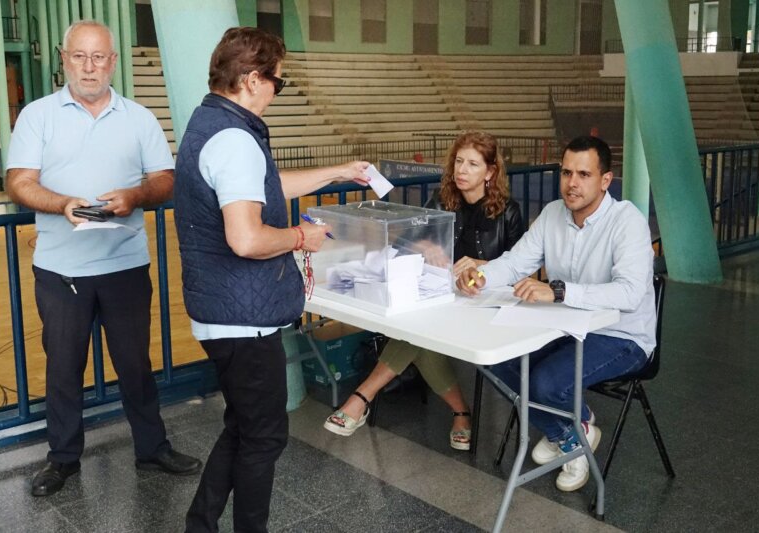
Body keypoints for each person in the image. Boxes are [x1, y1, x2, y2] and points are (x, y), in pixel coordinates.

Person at [173, 27, 370, 533]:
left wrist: (339, 172)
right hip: (243, 318)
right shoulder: (236, 139)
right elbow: (246, 237)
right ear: (253, 80)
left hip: (222, 311)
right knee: (263, 438)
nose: (277, 93)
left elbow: (261, 185)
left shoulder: (210, 121)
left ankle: (201, 523)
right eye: (278, 83)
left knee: (243, 427)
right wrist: (301, 238)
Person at [5, 20, 201, 497]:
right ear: (63, 57)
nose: (89, 67)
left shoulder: (139, 117)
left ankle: (152, 448)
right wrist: (62, 204)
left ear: (113, 61)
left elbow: (165, 179)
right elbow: (19, 181)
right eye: (79, 56)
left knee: (135, 364)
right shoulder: (38, 115)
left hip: (125, 265)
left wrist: (135, 195)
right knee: (64, 369)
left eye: (99, 57)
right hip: (61, 268)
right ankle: (63, 459)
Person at [458, 135, 656, 492]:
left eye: (584, 174)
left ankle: (571, 441)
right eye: (566, 173)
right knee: (499, 363)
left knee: (545, 382)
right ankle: (572, 427)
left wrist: (559, 290)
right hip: (566, 326)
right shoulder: (552, 214)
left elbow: (629, 293)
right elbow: (516, 263)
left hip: (622, 336)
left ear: (605, 181)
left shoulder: (628, 222)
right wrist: (481, 276)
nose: (572, 183)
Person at [323, 131, 524, 451]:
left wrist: (482, 264)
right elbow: (406, 241)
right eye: (459, 161)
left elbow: (522, 270)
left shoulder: (509, 211)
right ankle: (460, 413)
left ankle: (362, 397)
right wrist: (426, 244)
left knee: (414, 335)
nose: (462, 170)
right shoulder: (444, 201)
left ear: (490, 172)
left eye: (472, 164)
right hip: (443, 299)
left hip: (486, 306)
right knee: (416, 333)